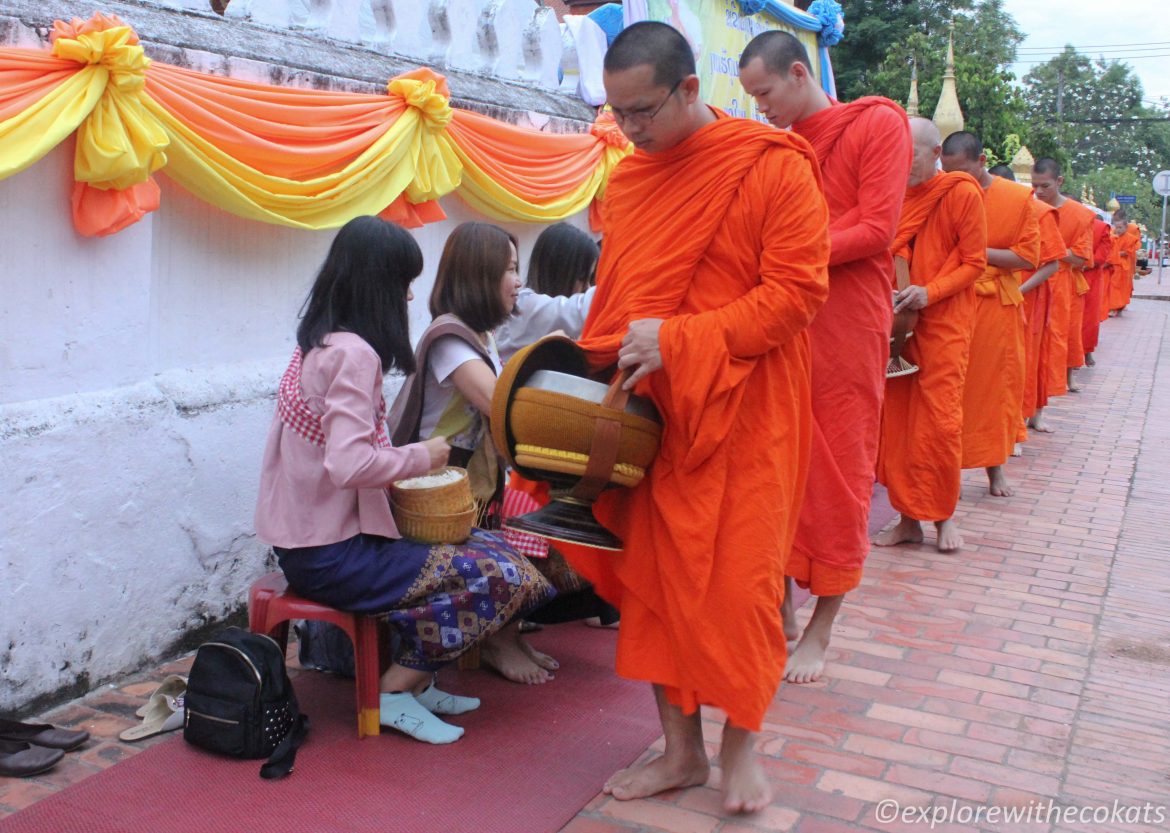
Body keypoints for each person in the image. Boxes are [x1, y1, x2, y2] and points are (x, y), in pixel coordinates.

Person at [543, 21, 830, 813]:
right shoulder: (632, 181)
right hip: (653, 417)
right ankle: (680, 751)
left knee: (740, 585)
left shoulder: (771, 166)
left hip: (747, 409)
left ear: (691, 90)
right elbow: (619, 302)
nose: (630, 131)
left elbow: (799, 294)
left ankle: (741, 747)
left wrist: (680, 338)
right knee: (659, 584)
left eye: (643, 111)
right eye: (618, 114)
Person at [253, 216, 553, 744]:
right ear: (377, 286)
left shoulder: (318, 341)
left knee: (491, 551)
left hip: (310, 542)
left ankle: (418, 681)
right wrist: (424, 456)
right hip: (333, 553)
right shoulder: (354, 354)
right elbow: (349, 466)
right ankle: (390, 691)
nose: (410, 296)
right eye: (402, 283)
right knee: (502, 573)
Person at [738, 30, 911, 684]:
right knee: (775, 462)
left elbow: (876, 228)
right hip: (784, 318)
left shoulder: (875, 123)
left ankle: (823, 627)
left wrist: (789, 250)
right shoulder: (776, 146)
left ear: (798, 72)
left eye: (766, 92)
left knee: (837, 467)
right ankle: (780, 607)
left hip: (845, 322)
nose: (761, 107)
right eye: (752, 97)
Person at [389, 221, 561, 686]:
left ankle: (506, 634)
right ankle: (496, 640)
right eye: (508, 269)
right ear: (478, 276)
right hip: (441, 495)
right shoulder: (450, 339)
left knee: (545, 532)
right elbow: (499, 406)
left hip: (474, 484)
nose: (518, 282)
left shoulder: (479, 336)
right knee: (526, 540)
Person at [874, 119, 985, 552]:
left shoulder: (959, 193)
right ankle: (907, 519)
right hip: (898, 327)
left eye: (913, 156)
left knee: (939, 424)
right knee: (898, 425)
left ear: (936, 153)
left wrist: (929, 292)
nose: (905, 165)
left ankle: (943, 517)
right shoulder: (893, 194)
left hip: (944, 325)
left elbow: (974, 262)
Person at [940, 131, 1039, 498]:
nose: (957, 181)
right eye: (950, 173)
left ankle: (994, 468)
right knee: (949, 391)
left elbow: (1028, 257)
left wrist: (976, 251)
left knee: (992, 391)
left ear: (982, 161)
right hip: (949, 299)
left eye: (964, 173)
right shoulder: (941, 192)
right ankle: (943, 472)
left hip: (994, 304)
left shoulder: (1015, 198)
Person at [987, 166, 1063, 435]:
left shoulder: (1037, 211)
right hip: (985, 297)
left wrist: (1021, 290)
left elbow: (1051, 263)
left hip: (1025, 297)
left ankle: (1024, 419)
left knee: (1025, 362)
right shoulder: (975, 203)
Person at [1031, 158, 1094, 402]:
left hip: (1061, 286)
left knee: (1056, 340)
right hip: (1030, 280)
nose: (1038, 192)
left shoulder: (1080, 215)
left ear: (1059, 181)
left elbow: (1080, 257)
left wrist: (1048, 250)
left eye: (1044, 186)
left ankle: (1044, 399)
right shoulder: (1028, 205)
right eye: (1035, 186)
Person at [495, 222, 599, 364]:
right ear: (559, 271)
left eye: (590, 279)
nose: (587, 287)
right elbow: (586, 307)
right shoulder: (525, 306)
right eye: (581, 277)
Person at [1081, 216, 1113, 366]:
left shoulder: (1100, 228)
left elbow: (1100, 258)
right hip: (1060, 275)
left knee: (1088, 318)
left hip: (1089, 278)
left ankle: (1087, 351)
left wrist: (1079, 265)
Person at [1108, 210, 1140, 315]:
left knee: (1123, 287)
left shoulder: (1132, 233)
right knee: (1113, 286)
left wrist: (1117, 254)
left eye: (1120, 227)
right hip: (1113, 264)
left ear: (1126, 227)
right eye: (1116, 226)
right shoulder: (1112, 235)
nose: (1117, 230)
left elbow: (1130, 250)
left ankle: (1119, 306)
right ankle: (1113, 306)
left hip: (1124, 265)